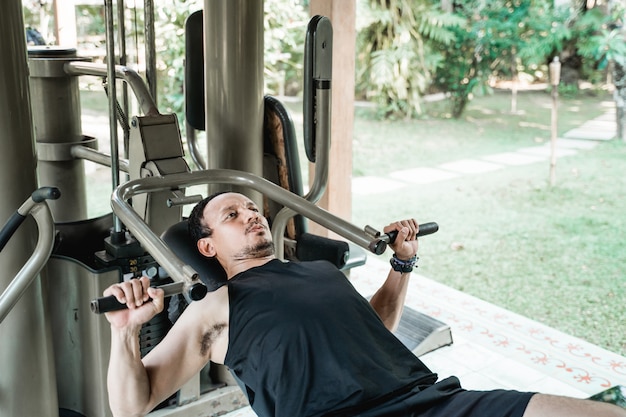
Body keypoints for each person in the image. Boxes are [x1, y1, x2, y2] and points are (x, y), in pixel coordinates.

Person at [104, 191, 626, 417]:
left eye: (251, 208)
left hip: (434, 402)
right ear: (208, 247)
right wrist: (125, 331)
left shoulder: (319, 272)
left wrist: (401, 266)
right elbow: (133, 403)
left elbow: (376, 327)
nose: (252, 215)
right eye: (232, 216)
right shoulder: (216, 307)